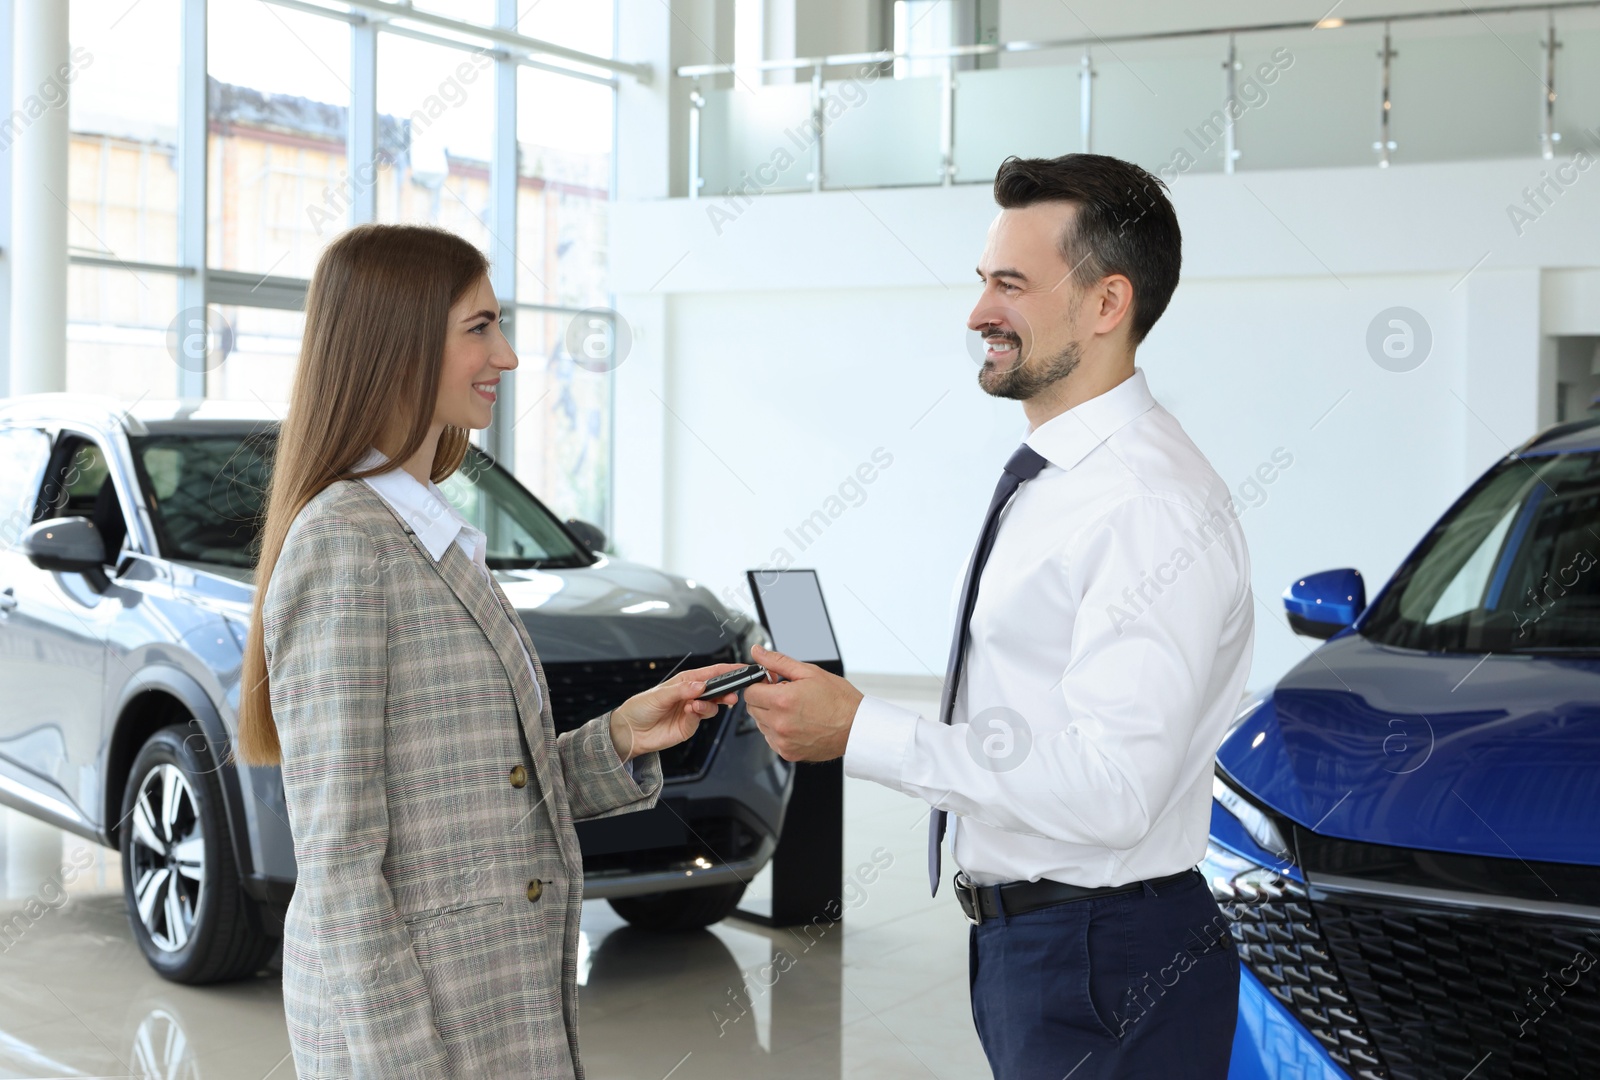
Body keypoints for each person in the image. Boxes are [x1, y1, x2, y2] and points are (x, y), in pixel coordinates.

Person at [743, 153, 1253, 1079]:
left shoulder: (1144, 504)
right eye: (984, 280)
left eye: (1010, 285)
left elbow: (1112, 787)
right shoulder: (1061, 476)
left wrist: (864, 731)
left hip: (1106, 954)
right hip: (1045, 945)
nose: (979, 313)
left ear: (1107, 305)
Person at [234, 222, 742, 1079]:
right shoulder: (347, 543)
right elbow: (340, 866)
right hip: (423, 1034)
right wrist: (405, 1064)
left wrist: (623, 734)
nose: (505, 356)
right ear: (395, 344)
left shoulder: (423, 526)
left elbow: (479, 797)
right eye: (480, 328)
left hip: (492, 1009)